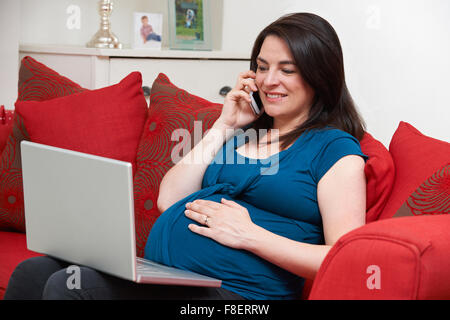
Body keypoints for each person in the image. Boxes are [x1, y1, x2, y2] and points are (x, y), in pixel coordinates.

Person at [5, 12, 368, 300]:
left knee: (72, 286)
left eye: (287, 70)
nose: (269, 80)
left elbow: (347, 259)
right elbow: (169, 199)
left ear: (320, 76)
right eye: (261, 66)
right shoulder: (243, 135)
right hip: (177, 279)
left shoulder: (335, 150)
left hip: (239, 296)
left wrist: (250, 235)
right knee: (32, 273)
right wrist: (225, 124)